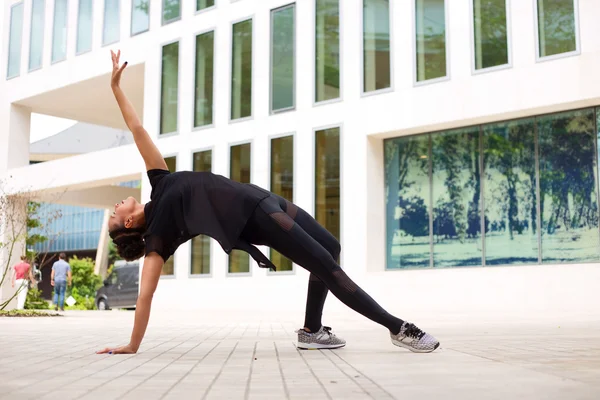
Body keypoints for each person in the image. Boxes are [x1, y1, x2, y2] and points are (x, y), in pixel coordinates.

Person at [97, 51, 440, 355]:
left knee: (330, 248)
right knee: (326, 266)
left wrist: (116, 88)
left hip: (262, 197)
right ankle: (399, 328)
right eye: (116, 213)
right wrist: (132, 345)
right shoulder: (159, 236)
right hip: (257, 217)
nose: (117, 205)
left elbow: (137, 127)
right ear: (129, 223)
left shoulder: (160, 181)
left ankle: (312, 330)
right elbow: (145, 296)